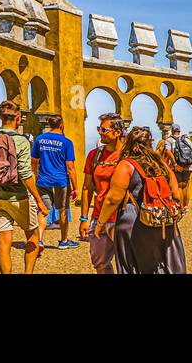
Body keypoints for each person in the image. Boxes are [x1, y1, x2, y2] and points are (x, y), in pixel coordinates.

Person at [96, 126, 186, 273]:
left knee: (134, 264)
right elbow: (176, 194)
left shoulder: (126, 165)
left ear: (129, 142)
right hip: (162, 220)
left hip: (134, 221)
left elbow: (113, 199)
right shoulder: (160, 164)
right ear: (149, 143)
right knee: (160, 263)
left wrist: (100, 223)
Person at [0, 100, 48, 274]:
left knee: (4, 242)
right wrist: (40, 201)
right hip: (19, 197)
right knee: (33, 236)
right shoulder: (21, 141)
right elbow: (26, 174)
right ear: (18, 118)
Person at [79, 113, 126, 274]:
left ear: (117, 132)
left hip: (124, 218)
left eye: (104, 129)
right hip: (99, 216)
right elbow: (87, 188)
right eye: (99, 129)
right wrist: (84, 218)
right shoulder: (95, 155)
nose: (100, 132)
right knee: (100, 263)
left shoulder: (128, 155)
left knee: (127, 264)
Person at [32, 115, 78, 250]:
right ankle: (64, 241)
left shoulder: (40, 139)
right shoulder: (66, 142)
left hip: (43, 180)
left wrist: (36, 175)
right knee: (63, 210)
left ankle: (39, 240)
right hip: (61, 181)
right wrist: (75, 187)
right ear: (62, 125)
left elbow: (34, 160)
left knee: (43, 211)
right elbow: (70, 166)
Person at [166, 125, 192, 213]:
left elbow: (168, 152)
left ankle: (181, 207)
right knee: (186, 186)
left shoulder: (169, 140)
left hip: (177, 167)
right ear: (179, 131)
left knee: (179, 186)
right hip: (188, 166)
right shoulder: (187, 140)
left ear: (172, 130)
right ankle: (186, 206)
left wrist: (175, 164)